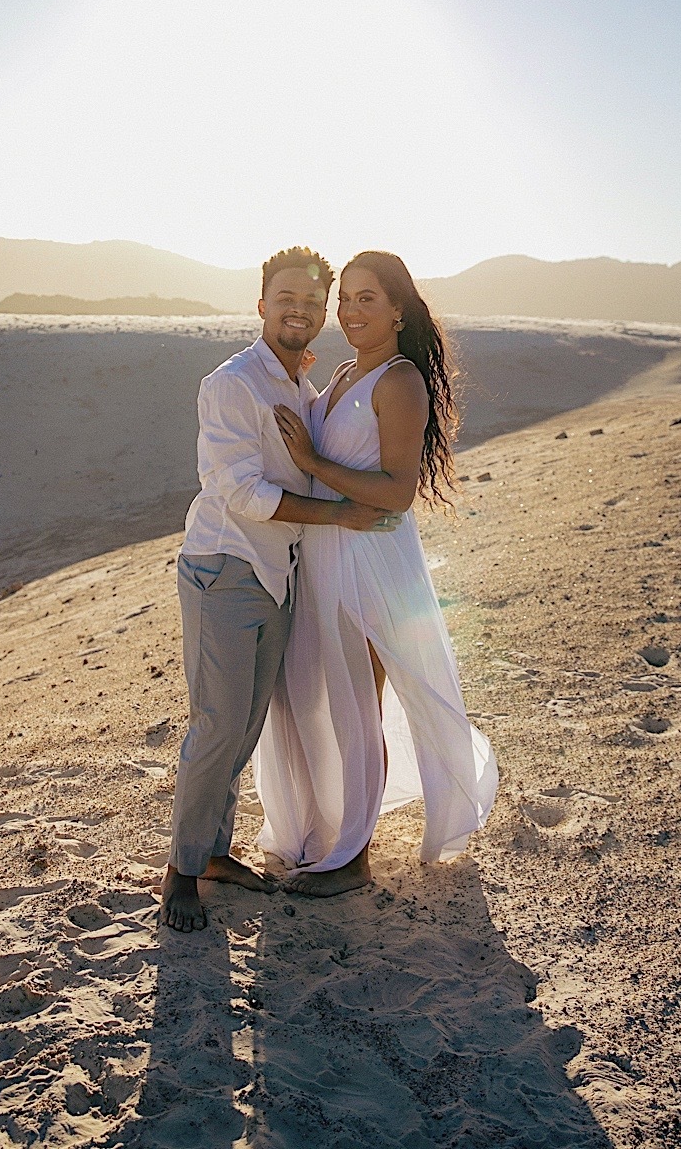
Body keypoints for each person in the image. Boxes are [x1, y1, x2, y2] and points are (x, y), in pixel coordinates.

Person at [162, 247, 395, 932]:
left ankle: (210, 852)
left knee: (246, 725)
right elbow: (237, 491)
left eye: (312, 301)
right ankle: (180, 871)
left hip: (279, 574)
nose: (300, 309)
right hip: (224, 568)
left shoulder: (296, 385)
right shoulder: (232, 384)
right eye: (285, 297)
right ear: (261, 305)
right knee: (216, 725)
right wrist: (339, 516)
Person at [255, 250, 498, 895]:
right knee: (323, 698)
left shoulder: (400, 382)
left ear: (397, 310)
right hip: (324, 557)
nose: (352, 311)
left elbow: (395, 492)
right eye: (347, 298)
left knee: (359, 704)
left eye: (368, 299)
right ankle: (329, 831)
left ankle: (354, 859)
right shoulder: (340, 375)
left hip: (370, 561)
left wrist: (309, 457)